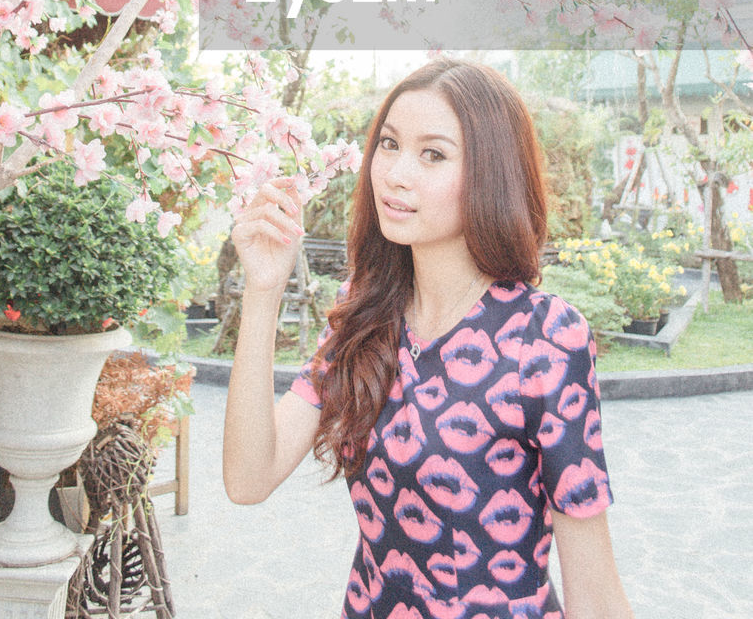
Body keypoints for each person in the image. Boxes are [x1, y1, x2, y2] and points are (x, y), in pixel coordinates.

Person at [223, 58, 634, 619]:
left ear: (490, 172)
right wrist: (262, 290)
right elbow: (249, 478)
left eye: (433, 154)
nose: (395, 172)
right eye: (388, 145)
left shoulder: (544, 337)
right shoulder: (364, 317)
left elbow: (593, 589)